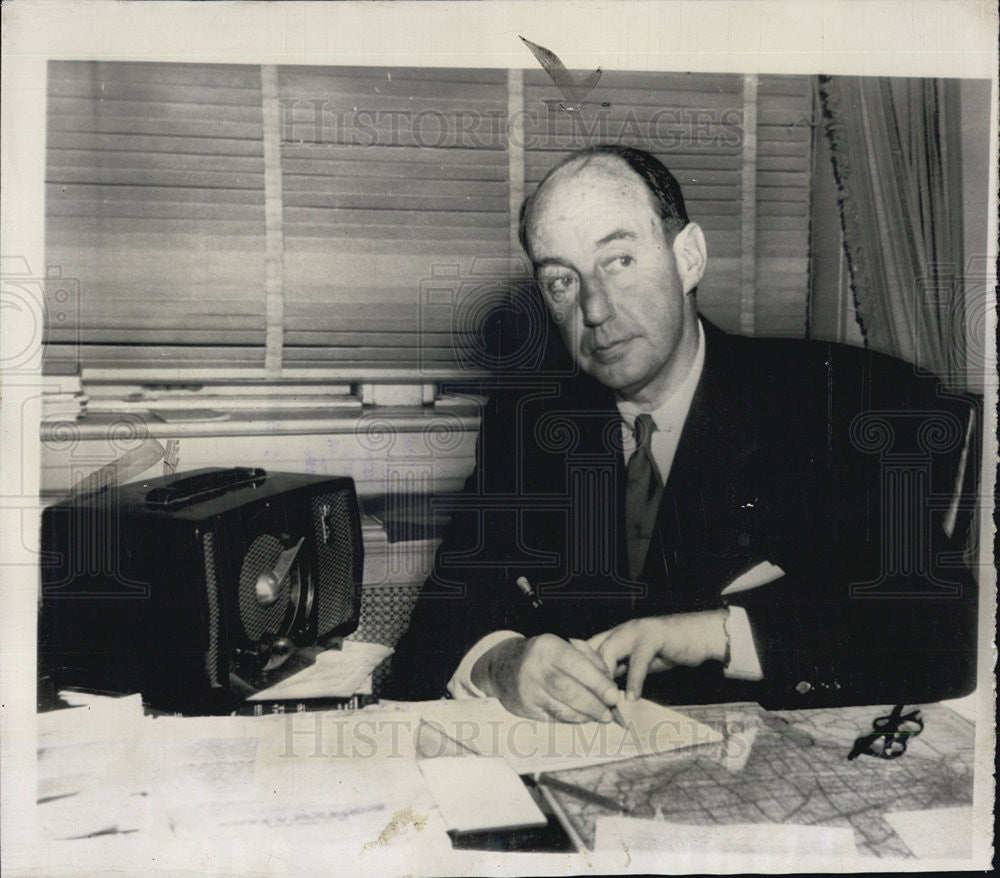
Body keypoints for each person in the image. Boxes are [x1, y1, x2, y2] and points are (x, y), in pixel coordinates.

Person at [385, 144, 978, 722]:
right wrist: (500, 662)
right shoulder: (528, 423)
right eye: (561, 280)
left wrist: (717, 633)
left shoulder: (840, 401)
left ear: (688, 257)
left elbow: (944, 639)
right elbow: (432, 635)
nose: (593, 308)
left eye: (619, 260)